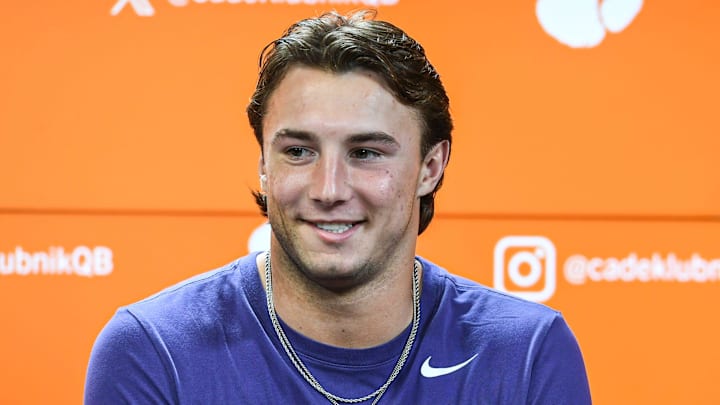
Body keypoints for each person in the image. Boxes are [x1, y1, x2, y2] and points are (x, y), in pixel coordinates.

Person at [85, 10, 591, 404]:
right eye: (298, 151)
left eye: (366, 153)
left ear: (430, 167)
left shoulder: (525, 354)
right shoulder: (153, 352)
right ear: (264, 163)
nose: (329, 188)